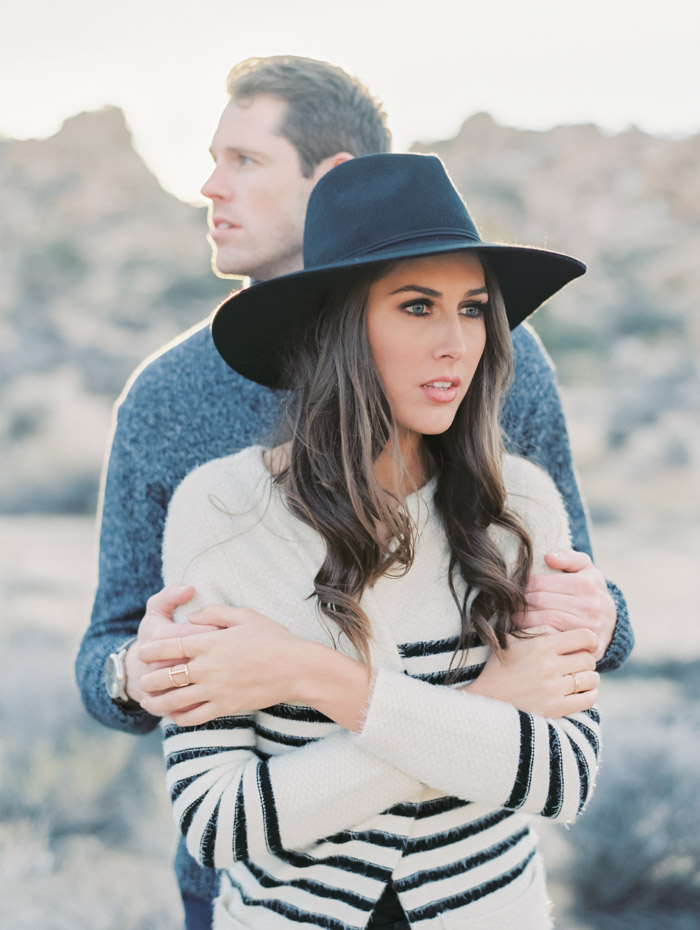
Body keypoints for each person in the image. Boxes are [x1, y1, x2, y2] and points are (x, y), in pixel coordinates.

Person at [74, 56, 632, 928]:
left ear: (333, 180)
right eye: (416, 307)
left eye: (245, 160)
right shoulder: (176, 417)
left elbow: (575, 628)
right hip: (264, 893)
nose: (209, 187)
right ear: (337, 324)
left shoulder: (505, 409)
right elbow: (132, 668)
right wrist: (132, 676)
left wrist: (596, 623)